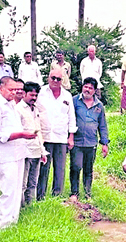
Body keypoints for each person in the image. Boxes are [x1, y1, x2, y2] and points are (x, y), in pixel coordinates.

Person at [0, 77, 37, 230]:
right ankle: (0, 227)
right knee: (7, 192)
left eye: (16, 90)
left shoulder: (11, 104)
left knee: (16, 191)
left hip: (17, 153)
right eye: (11, 90)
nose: (14, 93)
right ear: (1, 88)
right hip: (4, 155)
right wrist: (21, 134)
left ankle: (11, 224)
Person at [36, 68, 77, 200]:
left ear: (62, 80)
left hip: (61, 137)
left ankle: (57, 196)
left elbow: (71, 116)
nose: (55, 81)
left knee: (59, 169)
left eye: (58, 79)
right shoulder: (40, 93)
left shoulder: (67, 96)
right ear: (48, 78)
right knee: (43, 168)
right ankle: (40, 196)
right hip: (44, 137)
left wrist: (71, 136)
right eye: (52, 78)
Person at [70, 77, 109, 200]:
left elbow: (102, 125)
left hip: (91, 143)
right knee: (75, 167)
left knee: (88, 169)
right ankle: (74, 193)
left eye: (90, 88)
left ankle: (87, 194)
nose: (87, 89)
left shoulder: (99, 106)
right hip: (76, 142)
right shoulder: (74, 101)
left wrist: (104, 143)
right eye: (85, 86)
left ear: (94, 90)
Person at [15, 82, 48, 206]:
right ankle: (20, 208)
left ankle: (30, 207)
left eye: (36, 95)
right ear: (24, 93)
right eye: (31, 95)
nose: (34, 98)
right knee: (22, 183)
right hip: (24, 151)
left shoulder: (36, 109)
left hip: (36, 150)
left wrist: (42, 151)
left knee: (33, 182)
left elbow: (38, 130)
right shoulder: (18, 109)